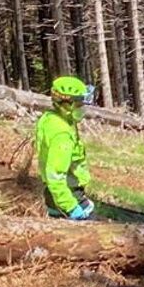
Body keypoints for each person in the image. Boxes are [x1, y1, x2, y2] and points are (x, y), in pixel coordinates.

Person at [36, 76, 95, 220]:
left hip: (57, 194)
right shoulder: (61, 135)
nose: (82, 108)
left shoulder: (52, 119)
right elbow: (55, 175)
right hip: (67, 195)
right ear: (66, 104)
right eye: (79, 104)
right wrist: (71, 207)